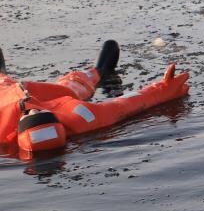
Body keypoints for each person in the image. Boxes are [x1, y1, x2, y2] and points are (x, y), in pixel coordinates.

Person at [1, 41, 190, 159]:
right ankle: (99, 70)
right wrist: (164, 88)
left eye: (31, 116)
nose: (34, 111)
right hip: (56, 98)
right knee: (76, 85)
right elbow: (123, 105)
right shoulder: (81, 119)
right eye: (42, 116)